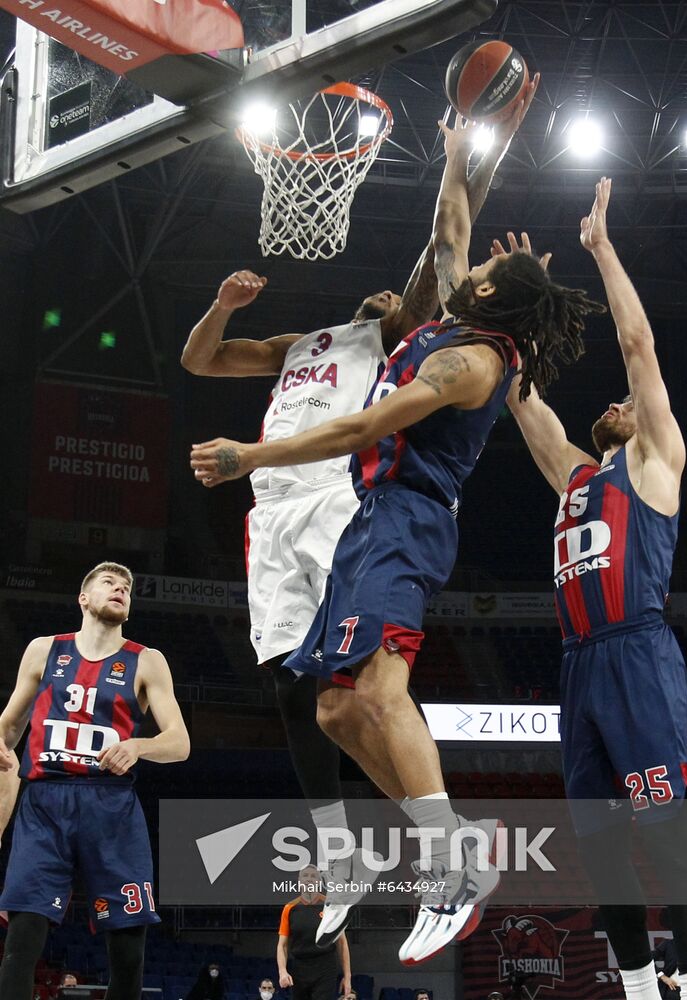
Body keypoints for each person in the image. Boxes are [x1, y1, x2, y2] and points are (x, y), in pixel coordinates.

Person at [190, 95, 605, 965]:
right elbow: (450, 227)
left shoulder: (466, 361)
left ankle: (452, 866)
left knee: (378, 693)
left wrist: (249, 456)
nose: (467, 275)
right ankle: (436, 846)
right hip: (369, 523)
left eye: (484, 280)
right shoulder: (454, 321)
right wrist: (456, 153)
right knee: (335, 709)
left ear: (495, 303)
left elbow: (354, 432)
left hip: (404, 520)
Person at [507, 178, 687, 1000]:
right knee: (599, 853)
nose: (617, 402)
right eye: (617, 405)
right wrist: (516, 311)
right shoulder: (575, 476)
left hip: (635, 655)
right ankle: (634, 990)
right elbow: (524, 407)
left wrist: (600, 250)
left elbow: (637, 346)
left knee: (668, 843)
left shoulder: (654, 462)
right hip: (578, 666)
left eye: (626, 403)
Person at [0, 561, 190, 1000]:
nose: (121, 589)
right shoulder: (44, 650)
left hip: (111, 804)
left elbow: (179, 743)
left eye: (126, 587)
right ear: (83, 598)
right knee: (22, 935)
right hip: (45, 801)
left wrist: (138, 746)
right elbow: (9, 730)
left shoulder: (147, 660)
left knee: (128, 946)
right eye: (110, 583)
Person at [277, 865, 351, 1000]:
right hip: (300, 967)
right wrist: (282, 971)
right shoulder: (289, 908)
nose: (309, 879)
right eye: (305, 876)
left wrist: (347, 977)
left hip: (325, 966)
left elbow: (342, 943)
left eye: (313, 876)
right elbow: (282, 945)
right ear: (299, 880)